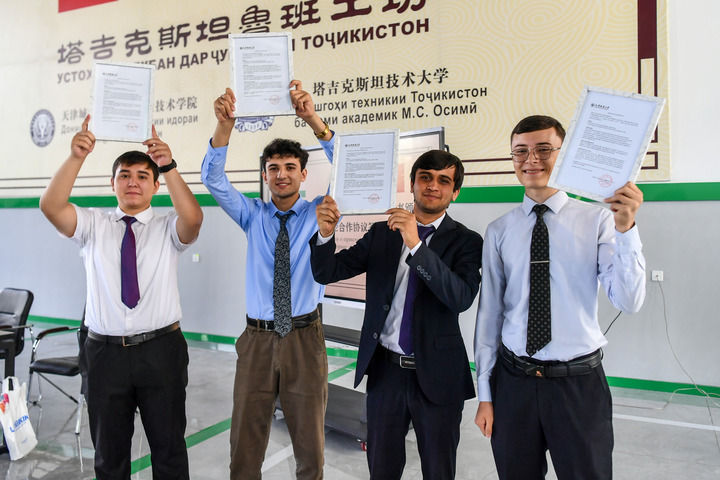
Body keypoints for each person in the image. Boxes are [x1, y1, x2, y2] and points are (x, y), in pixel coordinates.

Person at [473, 115, 646, 479]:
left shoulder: (599, 221)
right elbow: (489, 316)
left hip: (578, 385)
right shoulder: (499, 230)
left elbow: (629, 301)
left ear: (564, 154)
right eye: (520, 151)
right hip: (514, 383)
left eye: (543, 149)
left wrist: (626, 229)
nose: (531, 159)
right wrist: (485, 394)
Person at [40, 116, 203, 480]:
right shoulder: (92, 225)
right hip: (104, 354)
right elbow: (51, 206)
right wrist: (76, 157)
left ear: (156, 186)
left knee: (169, 452)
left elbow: (193, 220)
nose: (132, 182)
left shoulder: (166, 227)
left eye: (143, 176)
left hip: (161, 350)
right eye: (124, 175)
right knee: (109, 457)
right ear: (112, 183)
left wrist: (168, 166)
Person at [310, 150, 483, 479]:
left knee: (439, 470)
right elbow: (327, 272)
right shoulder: (382, 233)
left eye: (444, 181)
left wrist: (416, 245)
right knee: (382, 468)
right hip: (386, 373)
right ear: (413, 184)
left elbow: (459, 297)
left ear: (455, 192)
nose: (433, 186)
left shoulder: (467, 241)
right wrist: (326, 235)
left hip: (439, 375)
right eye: (425, 177)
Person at [201, 81, 333, 480]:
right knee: (244, 444)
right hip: (257, 340)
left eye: (290, 167)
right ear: (264, 175)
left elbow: (348, 167)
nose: (281, 175)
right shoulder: (252, 215)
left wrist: (312, 119)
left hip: (304, 338)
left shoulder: (319, 211)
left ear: (303, 174)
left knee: (310, 447)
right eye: (274, 168)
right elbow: (213, 179)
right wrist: (224, 126)